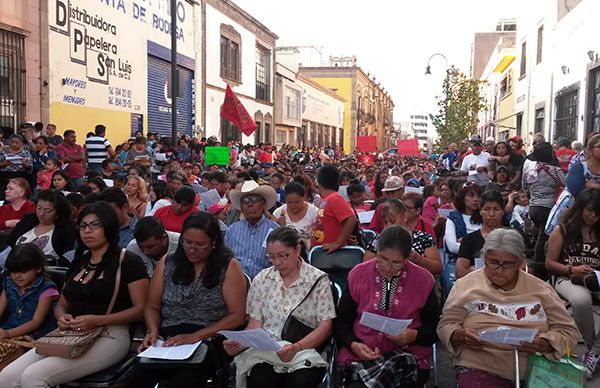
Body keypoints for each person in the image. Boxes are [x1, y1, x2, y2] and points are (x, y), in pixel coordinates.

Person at [0, 201, 149, 387]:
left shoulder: (128, 261)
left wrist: (97, 320)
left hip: (109, 334)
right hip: (70, 333)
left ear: (109, 226)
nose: (87, 231)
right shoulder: (79, 262)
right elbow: (62, 304)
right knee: (6, 377)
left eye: (95, 225)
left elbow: (140, 309)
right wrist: (62, 317)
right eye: (83, 226)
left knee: (34, 376)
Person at [115, 212, 247, 387]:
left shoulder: (228, 266)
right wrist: (153, 332)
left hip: (208, 336)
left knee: (183, 379)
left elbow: (236, 316)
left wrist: (196, 336)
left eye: (200, 245)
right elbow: (152, 306)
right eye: (187, 242)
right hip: (167, 337)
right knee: (134, 378)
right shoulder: (168, 262)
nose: (192, 249)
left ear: (213, 243)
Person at [437, 228, 580, 387]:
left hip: (536, 367)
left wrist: (545, 343)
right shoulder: (466, 286)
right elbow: (445, 325)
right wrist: (459, 335)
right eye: (493, 262)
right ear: (484, 259)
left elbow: (569, 332)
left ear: (520, 263)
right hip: (479, 364)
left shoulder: (541, 290)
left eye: (507, 264)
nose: (498, 270)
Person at [223, 226, 334, 387]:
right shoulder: (263, 278)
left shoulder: (317, 279)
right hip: (267, 351)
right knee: (260, 380)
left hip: (304, 350)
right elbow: (255, 324)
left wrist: (297, 347)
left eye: (283, 256)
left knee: (300, 381)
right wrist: (240, 343)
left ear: (297, 250)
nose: (277, 263)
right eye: (272, 257)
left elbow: (325, 326)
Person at [335, 226, 440, 387]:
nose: (387, 267)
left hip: (408, 355)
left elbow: (435, 329)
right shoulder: (359, 274)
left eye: (396, 262)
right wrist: (354, 344)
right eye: (382, 259)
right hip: (362, 353)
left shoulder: (423, 280)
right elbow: (342, 321)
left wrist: (413, 335)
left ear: (407, 259)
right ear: (376, 252)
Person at [545, 188, 600, 377]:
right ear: (581, 207)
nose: (592, 216)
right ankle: (593, 348)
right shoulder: (564, 229)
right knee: (581, 299)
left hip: (595, 280)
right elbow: (549, 263)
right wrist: (572, 269)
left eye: (597, 212)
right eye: (589, 210)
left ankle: (593, 354)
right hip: (566, 278)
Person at [366, 198, 442, 274]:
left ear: (404, 216)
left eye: (392, 221)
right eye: (385, 222)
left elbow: (438, 267)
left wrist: (419, 259)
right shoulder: (378, 241)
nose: (389, 225)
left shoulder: (423, 238)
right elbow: (365, 268)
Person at [0, 244, 59, 341]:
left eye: (23, 272)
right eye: (13, 272)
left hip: (34, 335)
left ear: (38, 268)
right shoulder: (9, 283)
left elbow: (36, 322)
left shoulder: (47, 289)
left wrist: (9, 333)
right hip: (10, 328)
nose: (17, 276)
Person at [225, 180, 279, 279]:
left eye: (254, 200)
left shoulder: (276, 231)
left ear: (263, 204)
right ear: (241, 207)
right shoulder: (232, 231)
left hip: (266, 284)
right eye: (245, 201)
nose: (249, 205)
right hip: (236, 283)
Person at [7, 190, 76, 265]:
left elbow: (67, 258)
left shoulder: (66, 229)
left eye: (48, 211)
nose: (41, 213)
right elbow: (10, 244)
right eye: (39, 208)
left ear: (58, 212)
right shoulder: (28, 220)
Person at [522, 142, 565, 263]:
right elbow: (567, 185)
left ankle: (535, 253)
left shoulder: (529, 170)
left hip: (533, 206)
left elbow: (524, 186)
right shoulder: (555, 170)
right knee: (543, 236)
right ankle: (538, 263)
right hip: (547, 207)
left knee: (539, 231)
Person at [456, 190, 505, 278]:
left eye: (496, 209)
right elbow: (460, 271)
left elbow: (521, 269)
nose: (491, 214)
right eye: (486, 209)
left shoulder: (513, 237)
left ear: (502, 211)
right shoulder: (469, 240)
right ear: (480, 211)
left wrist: (475, 269)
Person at [311, 165, 357, 251]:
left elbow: (351, 219)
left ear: (319, 184)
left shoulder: (334, 198)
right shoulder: (326, 199)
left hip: (331, 256)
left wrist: (337, 243)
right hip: (321, 252)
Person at [444, 182, 483, 263]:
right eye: (471, 196)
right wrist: (479, 246)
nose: (476, 199)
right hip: (458, 261)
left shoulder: (485, 216)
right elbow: (452, 247)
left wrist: (465, 242)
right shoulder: (453, 219)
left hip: (483, 262)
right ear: (462, 198)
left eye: (478, 196)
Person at [272, 182, 319, 248]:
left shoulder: (314, 212)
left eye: (297, 202)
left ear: (303, 197)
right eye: (289, 202)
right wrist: (278, 226)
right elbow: (270, 238)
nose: (293, 206)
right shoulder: (278, 213)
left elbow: (320, 236)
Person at [567, 132, 600, 197]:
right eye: (599, 146)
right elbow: (575, 190)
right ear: (590, 150)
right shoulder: (579, 167)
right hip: (580, 205)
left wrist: (596, 186)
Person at [0, 134, 32, 200]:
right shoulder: (3, 151)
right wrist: (3, 163)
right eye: (12, 142)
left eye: (17, 143)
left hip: (21, 175)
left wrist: (25, 164)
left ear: (21, 143)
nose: (14, 144)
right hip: (5, 175)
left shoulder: (25, 152)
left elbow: (30, 167)